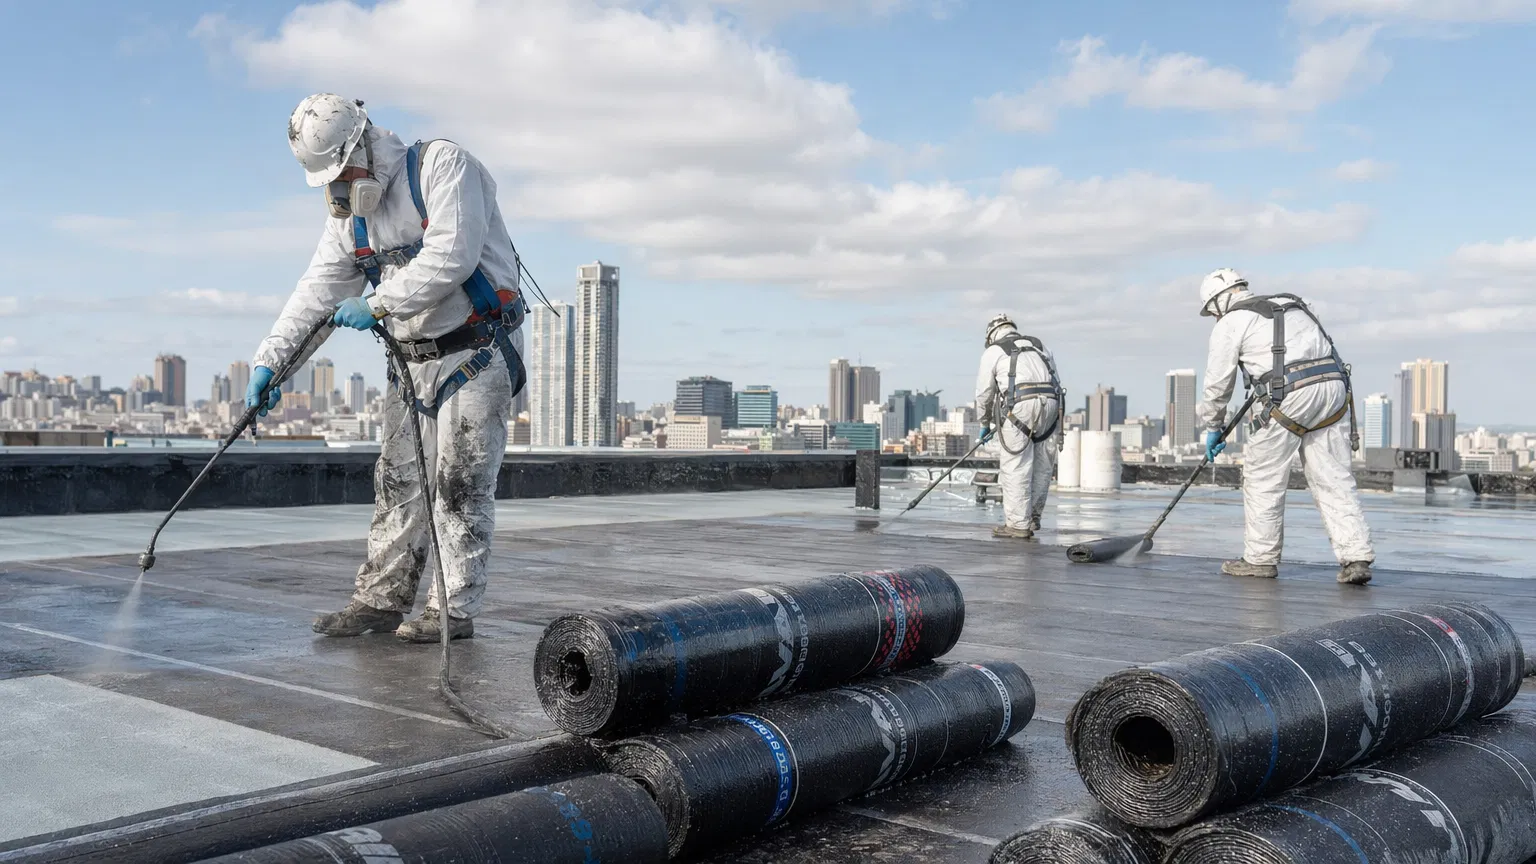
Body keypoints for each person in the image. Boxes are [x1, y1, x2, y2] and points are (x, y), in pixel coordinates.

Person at [245, 94, 526, 641]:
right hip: (412, 360)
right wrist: (271, 365)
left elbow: (452, 255)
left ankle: (452, 611)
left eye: (342, 172)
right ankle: (380, 601)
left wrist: (376, 303)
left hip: (476, 350)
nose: (339, 187)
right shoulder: (351, 218)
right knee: (398, 481)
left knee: (461, 484)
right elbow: (317, 294)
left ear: (363, 145)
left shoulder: (444, 167)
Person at [1195, 268, 1374, 585]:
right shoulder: (1295, 304)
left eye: (1212, 312)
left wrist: (1213, 426)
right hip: (1333, 391)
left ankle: (1260, 559)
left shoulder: (1230, 323)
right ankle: (1356, 557)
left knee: (1262, 477)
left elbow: (1217, 384)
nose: (1214, 318)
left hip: (1287, 396)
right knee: (1334, 477)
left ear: (1218, 301)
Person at [975, 314, 1063, 539]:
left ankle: (1017, 525)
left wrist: (984, 422)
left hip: (1020, 408)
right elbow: (1055, 379)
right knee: (1042, 466)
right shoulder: (1040, 345)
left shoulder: (993, 351)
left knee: (1016, 466)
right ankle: (1032, 518)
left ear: (991, 335)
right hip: (1051, 406)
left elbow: (984, 393)